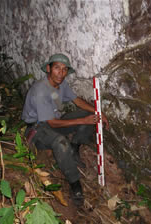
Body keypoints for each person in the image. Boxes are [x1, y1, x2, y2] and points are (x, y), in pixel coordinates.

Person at [22, 53, 109, 206]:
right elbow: (52, 123)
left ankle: (74, 148)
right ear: (48, 68)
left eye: (64, 69)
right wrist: (83, 120)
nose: (61, 73)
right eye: (57, 68)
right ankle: (75, 184)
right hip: (37, 130)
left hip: (53, 121)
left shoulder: (61, 84)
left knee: (91, 114)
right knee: (60, 142)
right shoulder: (41, 90)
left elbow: (76, 100)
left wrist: (98, 112)